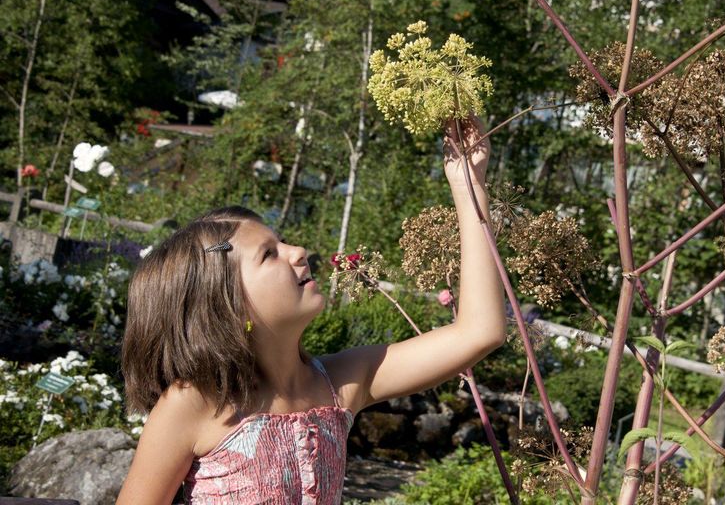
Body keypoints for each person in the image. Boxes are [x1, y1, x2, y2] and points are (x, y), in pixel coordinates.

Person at [115, 117, 505, 504]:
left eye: (282, 241)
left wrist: (469, 186)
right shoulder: (194, 403)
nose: (298, 252)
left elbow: (480, 331)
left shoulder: (340, 384)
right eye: (269, 254)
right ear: (224, 306)